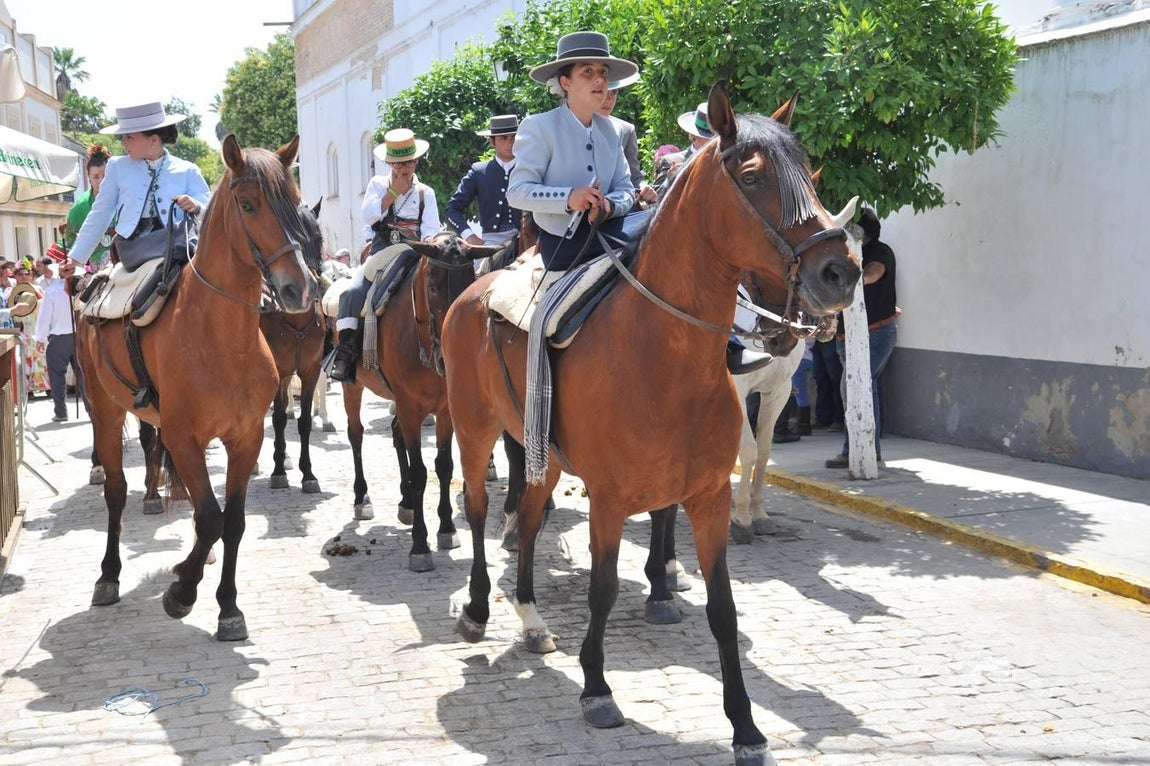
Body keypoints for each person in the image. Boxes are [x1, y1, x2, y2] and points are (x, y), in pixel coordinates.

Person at [506, 30, 636, 272]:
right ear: (566, 82)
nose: (599, 80)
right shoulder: (539, 126)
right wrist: (569, 198)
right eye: (588, 71)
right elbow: (516, 192)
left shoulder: (613, 130)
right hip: (562, 243)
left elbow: (626, 189)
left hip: (611, 231)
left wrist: (608, 206)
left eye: (603, 73)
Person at [329, 128, 442, 382]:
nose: (405, 168)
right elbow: (368, 215)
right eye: (399, 163)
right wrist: (393, 192)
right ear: (389, 163)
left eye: (409, 162)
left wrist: (425, 246)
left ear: (416, 161)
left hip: (414, 252)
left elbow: (432, 228)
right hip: (382, 252)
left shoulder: (426, 192)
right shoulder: (377, 185)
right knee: (352, 292)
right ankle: (346, 354)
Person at [66, 102, 210, 269]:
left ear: (154, 140)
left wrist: (195, 204)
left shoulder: (188, 170)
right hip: (133, 247)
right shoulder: (117, 166)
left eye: (129, 137)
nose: (123, 143)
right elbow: (100, 213)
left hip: (180, 245)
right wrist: (76, 258)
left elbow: (210, 207)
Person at [826, 208, 899, 468]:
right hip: (850, 336)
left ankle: (857, 450)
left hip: (875, 333)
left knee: (856, 388)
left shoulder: (879, 251)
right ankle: (868, 449)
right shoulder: (846, 253)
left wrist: (855, 279)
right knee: (865, 389)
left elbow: (875, 272)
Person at [445, 114, 522, 248]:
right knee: (479, 268)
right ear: (492, 142)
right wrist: (469, 235)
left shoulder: (529, 168)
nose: (510, 143)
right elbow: (452, 209)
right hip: (492, 240)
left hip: (528, 238)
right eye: (503, 138)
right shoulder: (479, 171)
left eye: (514, 137)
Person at [596, 75, 657, 210]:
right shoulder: (567, 127)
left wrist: (643, 187)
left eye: (614, 93)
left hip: (616, 208)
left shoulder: (626, 130)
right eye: (604, 93)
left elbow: (634, 176)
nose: (609, 99)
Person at [33, 259, 83, 422]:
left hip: (60, 338)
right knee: (83, 375)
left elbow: (44, 317)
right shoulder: (81, 290)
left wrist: (40, 337)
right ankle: (91, 408)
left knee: (57, 377)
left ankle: (61, 412)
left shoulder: (53, 291)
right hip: (79, 336)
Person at [62, 145, 112, 271]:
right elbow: (70, 241)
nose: (101, 181)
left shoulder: (125, 197)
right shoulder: (80, 207)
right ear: (88, 177)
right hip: (97, 266)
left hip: (126, 258)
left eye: (105, 175)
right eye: (96, 177)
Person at [652, 102, 713, 196]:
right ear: (693, 135)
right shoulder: (672, 161)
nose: (714, 140)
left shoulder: (727, 162)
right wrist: (670, 180)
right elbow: (655, 198)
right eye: (707, 137)